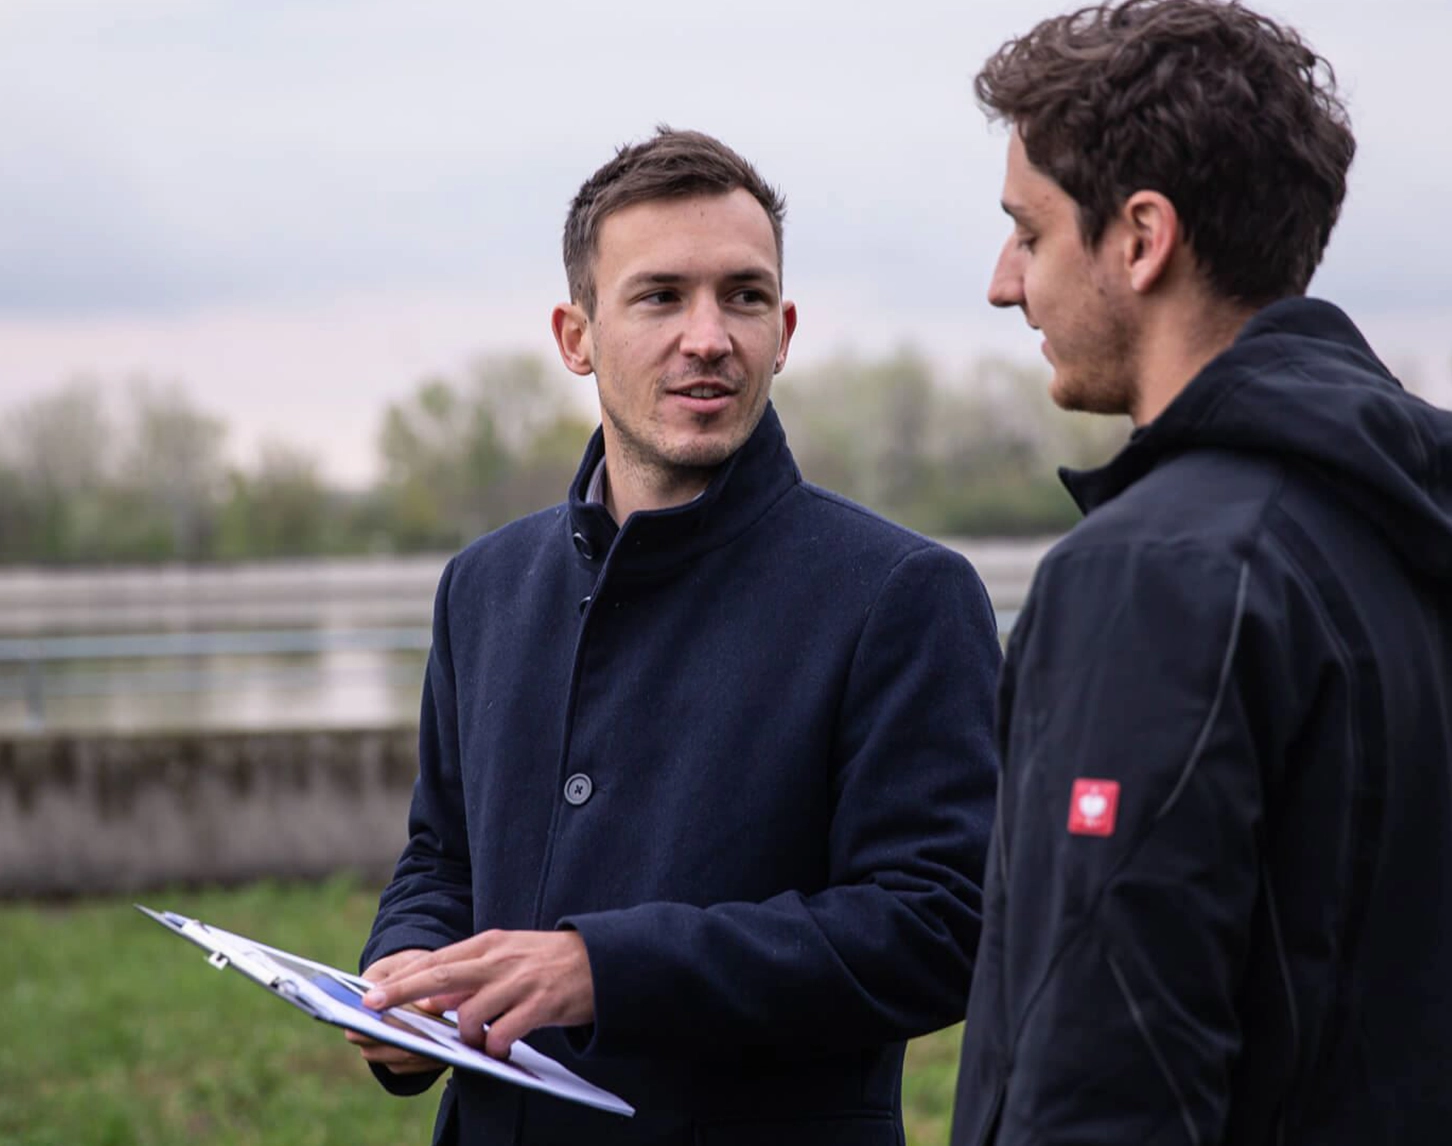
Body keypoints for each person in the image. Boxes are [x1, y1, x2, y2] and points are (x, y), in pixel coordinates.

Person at [347, 127, 1002, 1146]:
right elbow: (441, 857)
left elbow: (937, 928)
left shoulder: (903, 595)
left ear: (783, 330)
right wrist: (408, 974)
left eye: (743, 296)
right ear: (576, 336)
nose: (709, 335)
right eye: (660, 297)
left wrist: (600, 970)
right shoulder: (482, 585)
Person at [948, 2, 1452, 1143]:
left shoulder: (1161, 573)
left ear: (1140, 237)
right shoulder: (1407, 521)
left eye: (1028, 233)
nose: (1001, 282)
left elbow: (1107, 1062)